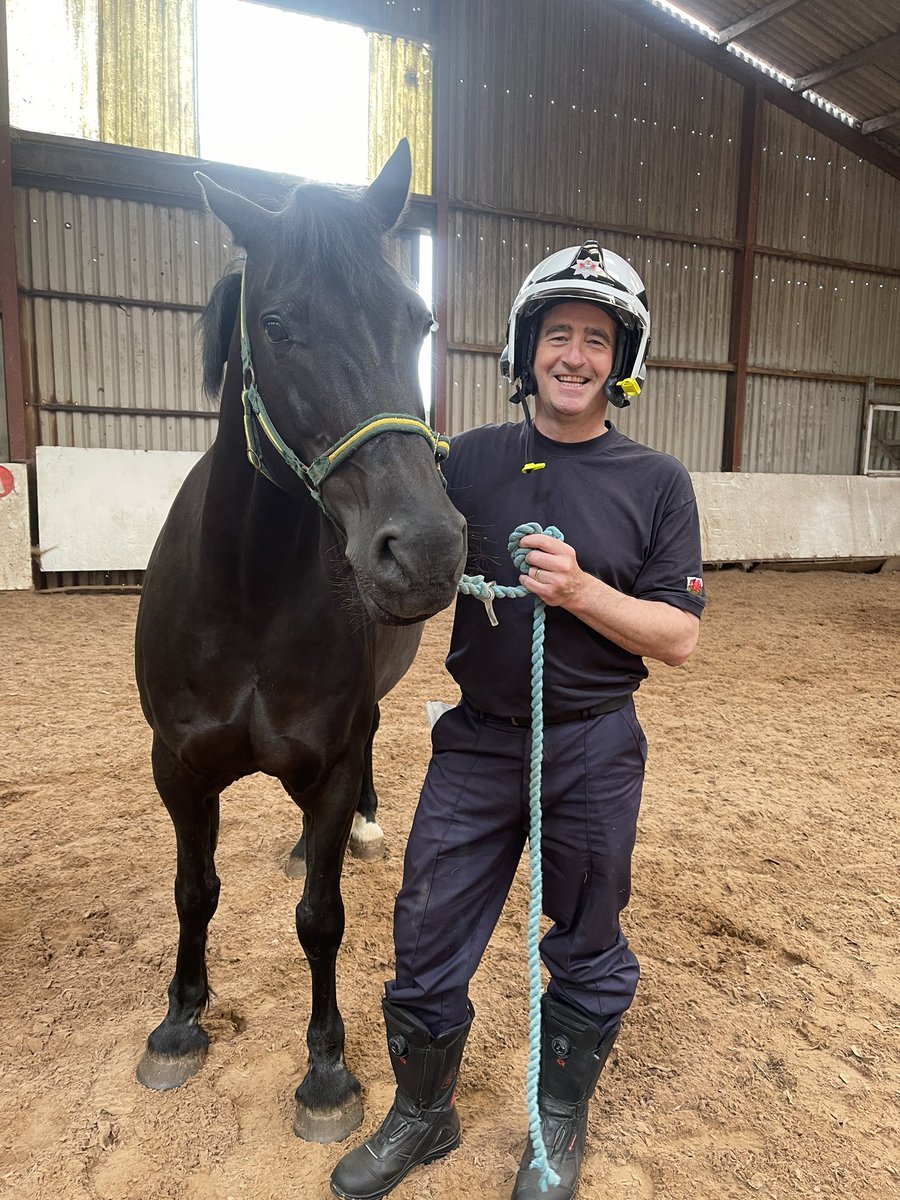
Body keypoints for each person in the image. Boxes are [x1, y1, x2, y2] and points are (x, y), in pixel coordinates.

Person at [330, 241, 706, 1200]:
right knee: (424, 929)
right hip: (479, 738)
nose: (573, 355)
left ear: (622, 360)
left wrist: (580, 590)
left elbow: (678, 636)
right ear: (524, 349)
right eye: (556, 335)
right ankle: (425, 1113)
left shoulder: (657, 481)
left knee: (586, 934)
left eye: (595, 339)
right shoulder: (465, 460)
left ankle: (559, 1118)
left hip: (592, 742)